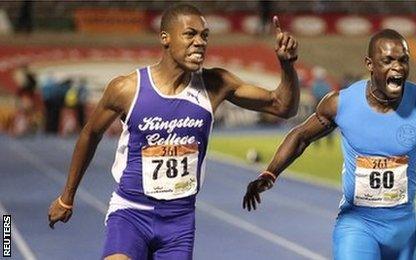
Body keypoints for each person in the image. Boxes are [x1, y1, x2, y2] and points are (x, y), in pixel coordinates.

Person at [47, 4, 299, 259]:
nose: (200, 42)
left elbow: (282, 106)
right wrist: (67, 197)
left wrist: (287, 65)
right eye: (190, 34)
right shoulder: (127, 89)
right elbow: (90, 134)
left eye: (205, 36)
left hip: (179, 222)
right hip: (130, 213)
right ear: (165, 38)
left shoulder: (216, 85)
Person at [243, 29, 416, 260]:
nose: (397, 67)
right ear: (370, 64)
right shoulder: (341, 103)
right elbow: (301, 136)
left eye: (403, 60)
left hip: (403, 231)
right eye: (387, 60)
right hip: (357, 225)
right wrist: (270, 173)